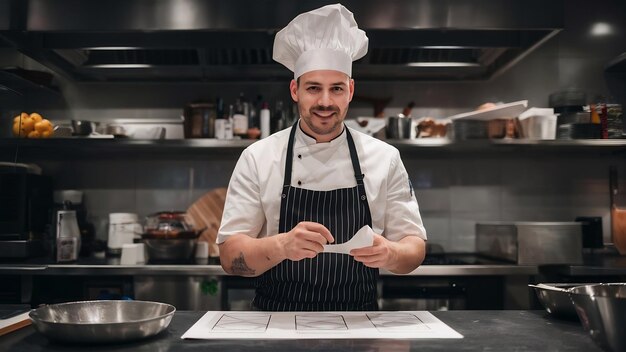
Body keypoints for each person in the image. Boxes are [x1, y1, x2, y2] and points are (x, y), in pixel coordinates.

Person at [217, 3, 427, 311]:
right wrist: (281, 245)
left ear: (351, 90)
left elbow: (415, 246)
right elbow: (229, 256)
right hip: (277, 323)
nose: (325, 102)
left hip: (360, 323)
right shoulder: (258, 157)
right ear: (295, 90)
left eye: (337, 89)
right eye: (314, 88)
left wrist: (391, 254)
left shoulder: (385, 158)